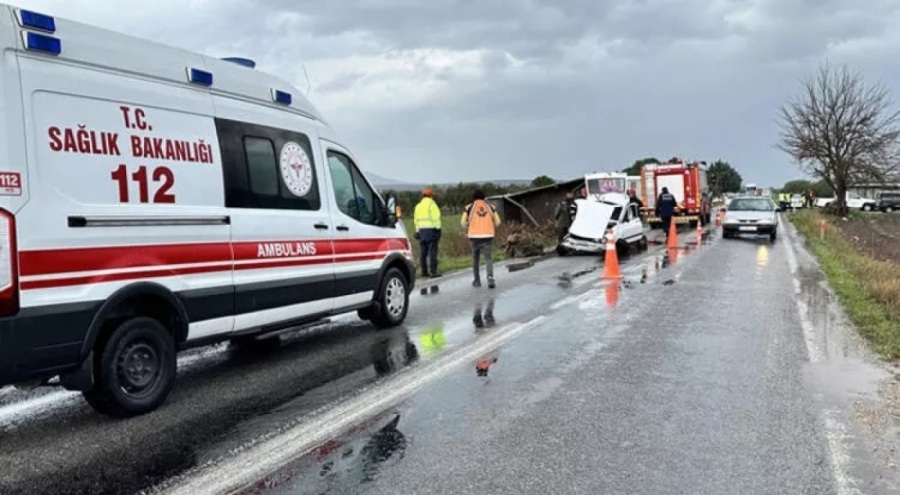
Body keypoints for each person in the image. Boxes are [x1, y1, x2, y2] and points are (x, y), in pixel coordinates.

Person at [461, 189, 502, 289]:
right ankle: (490, 278)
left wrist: (469, 227)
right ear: (484, 197)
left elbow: (463, 223)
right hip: (487, 236)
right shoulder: (491, 207)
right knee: (488, 258)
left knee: (475, 258)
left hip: (474, 237)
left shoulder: (469, 207)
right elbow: (498, 222)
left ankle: (477, 280)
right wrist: (490, 226)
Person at [413, 188, 442, 278]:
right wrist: (438, 229)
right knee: (432, 252)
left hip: (421, 231)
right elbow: (436, 218)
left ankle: (424, 272)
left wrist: (417, 231)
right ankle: (433, 272)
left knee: (423, 253)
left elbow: (416, 220)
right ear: (431, 195)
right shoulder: (432, 204)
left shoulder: (418, 206)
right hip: (431, 230)